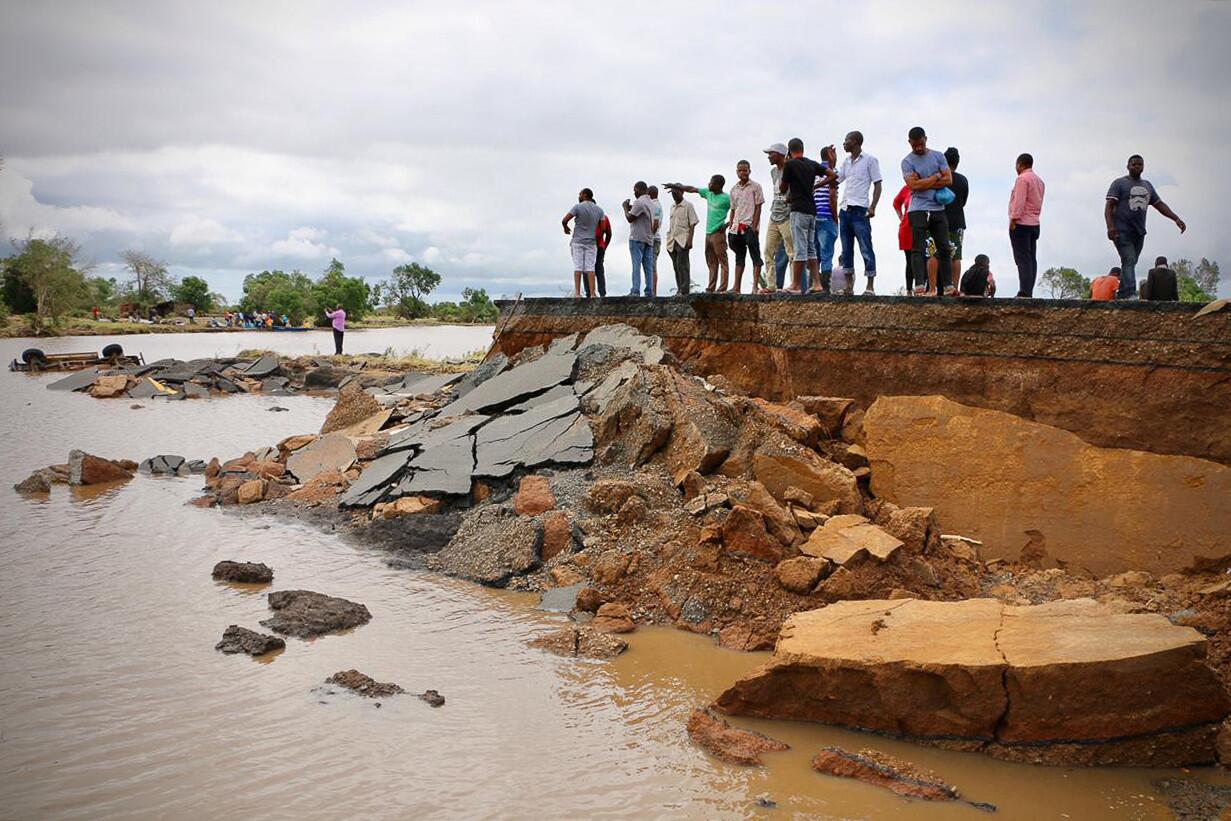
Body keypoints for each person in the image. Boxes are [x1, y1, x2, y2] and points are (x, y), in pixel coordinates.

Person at [1105, 155, 1186, 300]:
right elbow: (1109, 206)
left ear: (1143, 167)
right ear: (1128, 166)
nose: (1137, 167)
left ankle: (1122, 293)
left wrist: (1176, 218)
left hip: (1139, 232)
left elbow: (1159, 204)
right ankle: (1129, 293)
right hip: (1121, 230)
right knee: (1129, 259)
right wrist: (1110, 227)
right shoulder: (1119, 184)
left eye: (1140, 165)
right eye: (1134, 164)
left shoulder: (1147, 186)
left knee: (1130, 262)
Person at [901, 126, 952, 298]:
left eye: (921, 144)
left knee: (944, 247)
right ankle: (920, 285)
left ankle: (948, 286)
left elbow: (949, 179)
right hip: (917, 209)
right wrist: (936, 177)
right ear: (909, 143)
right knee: (918, 248)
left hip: (938, 208)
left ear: (926, 139)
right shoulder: (907, 161)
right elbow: (913, 186)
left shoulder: (938, 156)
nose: (918, 148)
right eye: (915, 145)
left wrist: (923, 181)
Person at [780, 137, 831, 293]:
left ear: (789, 151)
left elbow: (783, 189)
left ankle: (795, 285)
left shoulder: (790, 165)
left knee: (800, 249)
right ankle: (817, 284)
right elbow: (832, 176)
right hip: (811, 210)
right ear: (802, 149)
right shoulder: (811, 164)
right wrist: (815, 186)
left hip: (798, 210)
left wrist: (787, 165)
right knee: (811, 249)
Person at [664, 176, 731, 292]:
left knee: (722, 261)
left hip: (718, 233)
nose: (709, 184)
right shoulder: (708, 193)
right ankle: (711, 288)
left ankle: (722, 288)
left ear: (718, 185)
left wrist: (727, 225)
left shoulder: (726, 198)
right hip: (708, 233)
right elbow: (691, 189)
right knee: (711, 262)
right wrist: (674, 186)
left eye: (711, 183)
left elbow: (738, 209)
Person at [836, 130, 882, 295]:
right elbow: (837, 179)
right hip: (845, 209)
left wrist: (873, 207)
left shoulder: (870, 160)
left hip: (860, 210)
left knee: (865, 247)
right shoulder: (846, 162)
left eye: (846, 140)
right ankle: (849, 286)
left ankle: (870, 286)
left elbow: (878, 184)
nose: (844, 143)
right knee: (846, 249)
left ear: (855, 142)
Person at [1008, 153, 1045, 298]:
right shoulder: (1039, 181)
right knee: (1031, 259)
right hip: (1035, 223)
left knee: (1022, 259)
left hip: (1021, 223)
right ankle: (1028, 290)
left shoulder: (1022, 179)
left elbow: (1019, 201)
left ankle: (1024, 291)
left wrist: (1013, 219)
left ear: (1020, 164)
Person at [727, 161, 765, 294]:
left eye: (745, 170)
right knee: (739, 256)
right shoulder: (734, 189)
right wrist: (731, 224)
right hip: (737, 227)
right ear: (737, 172)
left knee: (755, 256)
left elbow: (759, 206)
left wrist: (754, 226)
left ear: (749, 171)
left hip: (749, 226)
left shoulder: (755, 187)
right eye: (740, 171)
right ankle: (736, 287)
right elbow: (733, 209)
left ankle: (755, 286)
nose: (743, 173)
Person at [761, 143, 795, 292]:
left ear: (780, 154)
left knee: (791, 251)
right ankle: (771, 285)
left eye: (771, 154)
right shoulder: (773, 172)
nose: (769, 157)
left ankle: (794, 284)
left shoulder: (791, 169)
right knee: (768, 250)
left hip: (787, 214)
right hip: (774, 213)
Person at [562, 188, 604, 298]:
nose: (579, 196)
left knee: (578, 266)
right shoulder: (599, 210)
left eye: (580, 194)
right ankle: (593, 293)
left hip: (578, 241)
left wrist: (565, 227)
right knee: (590, 268)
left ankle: (577, 293)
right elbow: (602, 228)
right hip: (591, 242)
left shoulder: (577, 207)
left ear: (585, 195)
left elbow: (564, 220)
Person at [812, 146, 841, 293]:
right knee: (827, 253)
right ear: (830, 155)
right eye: (834, 153)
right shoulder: (833, 173)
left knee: (815, 253)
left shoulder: (815, 172)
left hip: (814, 216)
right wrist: (835, 218)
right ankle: (825, 287)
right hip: (827, 216)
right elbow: (832, 196)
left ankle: (815, 284)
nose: (836, 156)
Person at [942, 147, 969, 295]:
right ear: (957, 163)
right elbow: (964, 201)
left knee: (936, 254)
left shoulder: (940, 178)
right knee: (956, 256)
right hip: (958, 220)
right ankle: (955, 287)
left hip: (939, 220)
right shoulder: (963, 180)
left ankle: (935, 287)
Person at [622, 181, 656, 297]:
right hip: (649, 238)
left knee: (636, 265)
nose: (634, 193)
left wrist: (625, 208)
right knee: (648, 267)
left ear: (639, 190)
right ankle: (649, 291)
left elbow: (630, 218)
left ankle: (635, 290)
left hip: (637, 237)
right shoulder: (651, 203)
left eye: (635, 190)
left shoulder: (639, 201)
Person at [665, 185, 700, 295]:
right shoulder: (672, 207)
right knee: (676, 266)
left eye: (676, 193)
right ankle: (679, 288)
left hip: (682, 239)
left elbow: (693, 223)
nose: (674, 196)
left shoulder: (688, 206)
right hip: (672, 240)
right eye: (672, 194)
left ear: (682, 193)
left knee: (682, 265)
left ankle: (684, 291)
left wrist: (690, 240)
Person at [892, 184, 916, 292]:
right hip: (906, 228)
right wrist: (900, 216)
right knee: (910, 260)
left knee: (924, 259)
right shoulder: (907, 188)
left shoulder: (927, 186)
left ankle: (924, 288)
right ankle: (909, 289)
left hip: (922, 228)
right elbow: (896, 202)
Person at [590, 210, 613, 298]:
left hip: (590, 245)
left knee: (588, 269)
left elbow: (609, 233)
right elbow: (609, 234)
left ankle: (589, 292)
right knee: (599, 269)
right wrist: (604, 245)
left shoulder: (588, 217)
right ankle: (602, 293)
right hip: (600, 246)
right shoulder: (604, 217)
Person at [648, 186, 663, 296]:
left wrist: (649, 235)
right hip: (655, 238)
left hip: (653, 239)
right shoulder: (657, 205)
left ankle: (653, 292)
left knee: (652, 266)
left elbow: (656, 223)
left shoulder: (655, 206)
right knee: (651, 265)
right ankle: (651, 291)